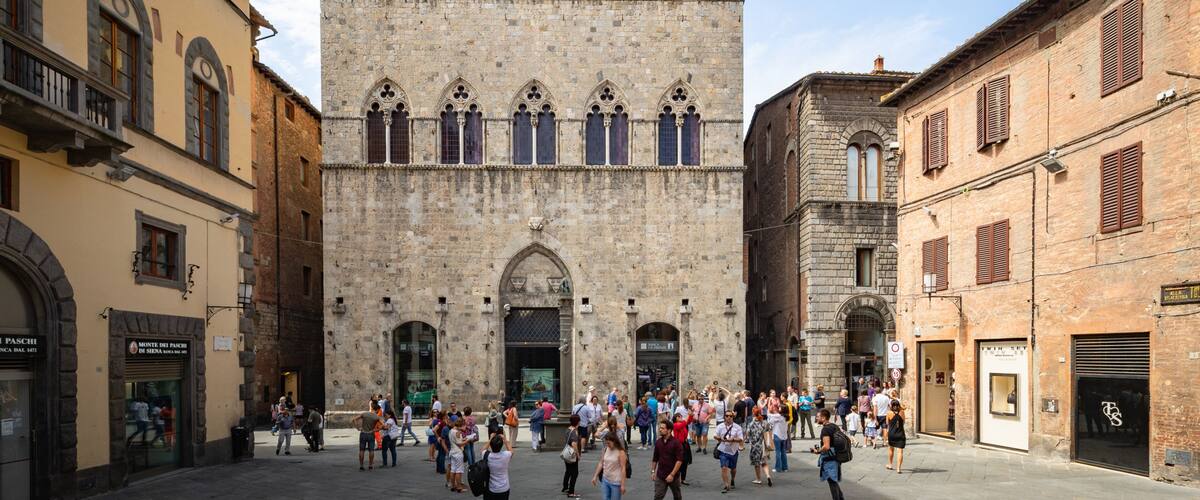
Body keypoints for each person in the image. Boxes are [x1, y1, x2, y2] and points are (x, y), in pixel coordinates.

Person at [810, 409, 845, 500]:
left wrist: (817, 451)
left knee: (832, 481)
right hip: (837, 455)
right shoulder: (834, 426)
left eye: (818, 417)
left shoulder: (825, 429)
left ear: (824, 418)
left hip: (830, 457)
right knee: (833, 480)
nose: (816, 418)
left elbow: (826, 446)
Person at [650, 419, 683, 500]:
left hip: (674, 476)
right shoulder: (658, 442)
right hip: (660, 475)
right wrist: (653, 472)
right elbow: (655, 459)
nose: (660, 429)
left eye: (662, 428)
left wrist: (672, 475)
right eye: (660, 428)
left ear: (669, 430)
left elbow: (679, 460)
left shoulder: (676, 443)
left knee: (677, 497)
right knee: (658, 496)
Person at [714, 410, 744, 494]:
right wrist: (720, 438)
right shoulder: (720, 426)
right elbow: (715, 435)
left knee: (733, 469)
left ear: (733, 417)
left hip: (733, 451)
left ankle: (732, 479)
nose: (729, 417)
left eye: (730, 416)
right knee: (724, 467)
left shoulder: (737, 427)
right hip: (723, 450)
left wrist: (733, 439)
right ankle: (726, 485)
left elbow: (741, 438)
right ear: (724, 417)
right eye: (727, 416)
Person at [592, 432, 628, 500]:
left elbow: (623, 468)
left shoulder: (621, 452)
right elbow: (601, 463)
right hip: (605, 479)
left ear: (614, 441)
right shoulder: (606, 449)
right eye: (606, 443)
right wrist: (595, 476)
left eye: (609, 443)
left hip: (616, 482)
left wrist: (623, 485)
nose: (607, 445)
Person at [351, 402, 382, 470]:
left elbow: (354, 419)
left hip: (363, 433)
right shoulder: (376, 417)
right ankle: (370, 465)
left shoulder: (364, 414)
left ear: (371, 408)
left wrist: (358, 428)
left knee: (362, 450)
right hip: (371, 434)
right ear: (376, 410)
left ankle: (361, 466)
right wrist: (375, 430)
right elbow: (382, 425)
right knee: (371, 450)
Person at [746, 407, 771, 487]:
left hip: (755, 446)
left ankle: (758, 479)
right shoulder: (764, 422)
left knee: (757, 463)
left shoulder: (751, 423)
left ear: (753, 413)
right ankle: (768, 476)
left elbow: (747, 434)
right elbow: (769, 430)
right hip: (763, 445)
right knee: (764, 462)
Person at [484, 433, 514, 500]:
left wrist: (490, 438)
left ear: (491, 446)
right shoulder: (506, 455)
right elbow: (511, 451)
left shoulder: (487, 455)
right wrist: (505, 439)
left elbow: (483, 449)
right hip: (504, 487)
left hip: (492, 488)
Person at [563, 414, 583, 498]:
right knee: (575, 473)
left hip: (567, 453)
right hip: (572, 454)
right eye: (579, 420)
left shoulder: (568, 429)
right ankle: (571, 492)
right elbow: (574, 443)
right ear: (577, 422)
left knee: (568, 471)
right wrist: (578, 454)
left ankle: (565, 487)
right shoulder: (574, 431)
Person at [670, 411, 692, 485]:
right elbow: (684, 423)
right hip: (678, 444)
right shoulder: (675, 425)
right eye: (678, 416)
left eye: (681, 416)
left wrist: (691, 415)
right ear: (675, 418)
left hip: (684, 444)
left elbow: (688, 421)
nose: (680, 417)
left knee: (685, 462)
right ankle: (676, 478)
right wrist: (688, 416)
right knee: (679, 461)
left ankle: (683, 479)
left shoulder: (683, 424)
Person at [885, 399, 906, 473]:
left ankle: (890, 464)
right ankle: (898, 468)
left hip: (892, 434)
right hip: (900, 433)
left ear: (891, 405)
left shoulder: (889, 413)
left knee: (891, 449)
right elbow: (903, 422)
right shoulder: (902, 412)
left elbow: (887, 424)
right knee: (900, 452)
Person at [447, 418, 468, 492]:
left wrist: (463, 439)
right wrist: (467, 441)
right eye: (463, 425)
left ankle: (453, 486)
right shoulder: (458, 432)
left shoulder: (451, 430)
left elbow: (455, 441)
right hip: (458, 453)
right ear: (461, 425)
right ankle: (459, 487)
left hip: (452, 452)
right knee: (459, 470)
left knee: (453, 470)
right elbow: (459, 444)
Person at [768, 406, 788, 473]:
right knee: (783, 452)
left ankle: (778, 468)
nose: (778, 408)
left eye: (780, 408)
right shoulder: (786, 417)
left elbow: (770, 421)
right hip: (784, 436)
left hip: (777, 435)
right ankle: (785, 467)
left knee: (777, 452)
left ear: (782, 410)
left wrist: (770, 411)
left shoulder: (778, 416)